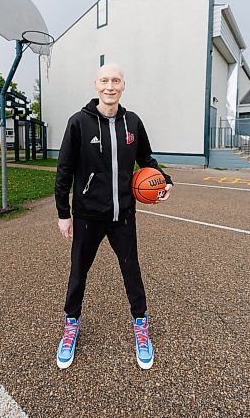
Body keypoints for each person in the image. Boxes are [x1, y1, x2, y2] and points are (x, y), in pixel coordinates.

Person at [55, 63, 173, 370]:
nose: (110, 86)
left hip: (123, 215)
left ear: (123, 85)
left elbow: (147, 159)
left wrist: (165, 179)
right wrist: (63, 213)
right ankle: (71, 324)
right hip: (86, 216)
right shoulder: (79, 122)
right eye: (105, 80)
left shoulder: (132, 122)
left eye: (116, 81)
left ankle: (140, 325)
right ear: (95, 84)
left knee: (131, 271)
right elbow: (64, 171)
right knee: (78, 271)